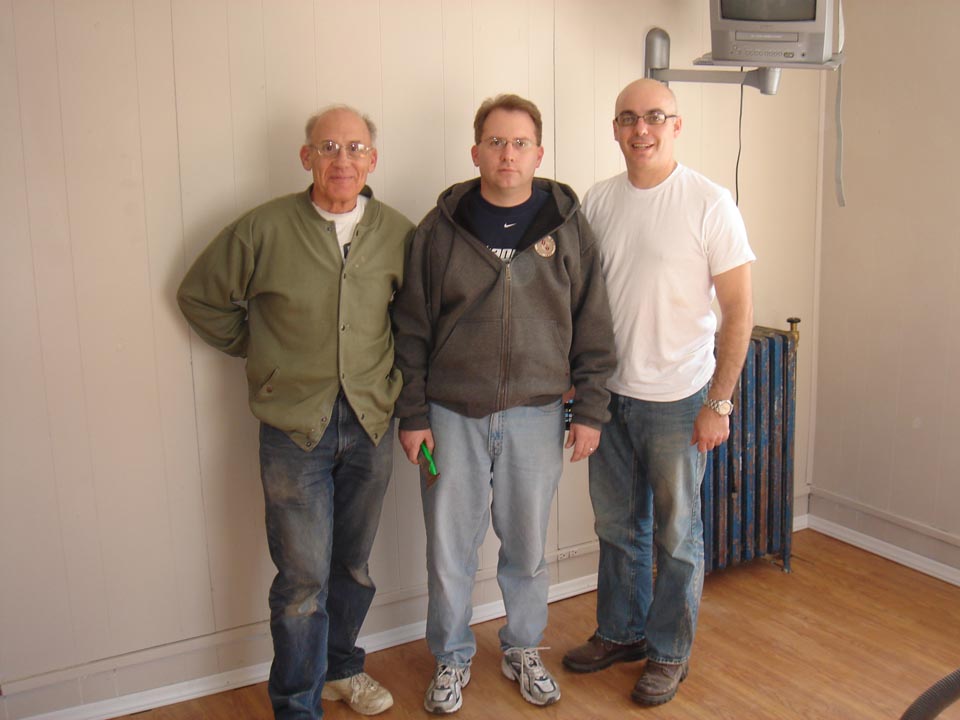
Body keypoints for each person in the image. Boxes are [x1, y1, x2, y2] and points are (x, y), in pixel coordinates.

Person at [177, 105, 414, 720]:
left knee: (354, 567)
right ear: (306, 156)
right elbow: (201, 296)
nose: (343, 160)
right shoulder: (263, 228)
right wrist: (261, 352)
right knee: (301, 580)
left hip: (370, 425)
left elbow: (413, 324)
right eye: (328, 146)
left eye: (356, 148)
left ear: (373, 160)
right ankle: (296, 704)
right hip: (293, 431)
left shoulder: (398, 233)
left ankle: (341, 671)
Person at [392, 94, 616, 714]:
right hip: (446, 421)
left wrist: (591, 409)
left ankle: (522, 646)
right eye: (496, 142)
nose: (507, 153)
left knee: (526, 546)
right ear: (476, 152)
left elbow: (593, 323)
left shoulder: (567, 227)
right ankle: (452, 656)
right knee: (449, 548)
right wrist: (412, 415)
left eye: (519, 143)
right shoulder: (438, 231)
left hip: (538, 418)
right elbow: (410, 330)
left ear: (538, 154)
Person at [562, 78, 755, 706]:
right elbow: (583, 301)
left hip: (678, 400)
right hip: (609, 399)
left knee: (678, 536)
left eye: (653, 117)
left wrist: (719, 402)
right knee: (618, 527)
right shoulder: (598, 199)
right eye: (627, 118)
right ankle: (622, 632)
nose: (639, 129)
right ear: (615, 128)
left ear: (677, 125)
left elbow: (739, 310)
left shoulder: (709, 203)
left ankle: (669, 653)